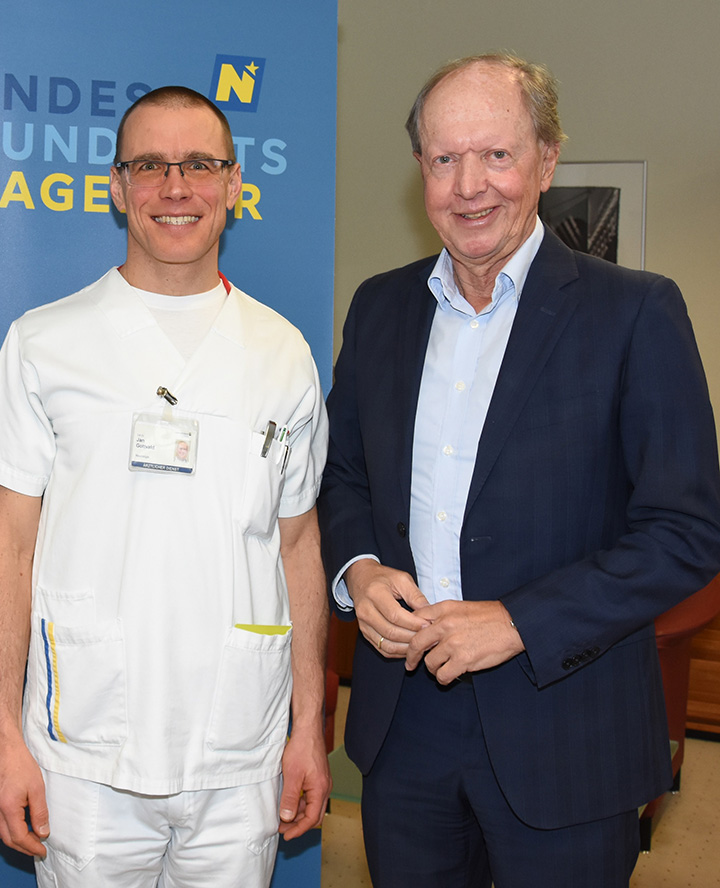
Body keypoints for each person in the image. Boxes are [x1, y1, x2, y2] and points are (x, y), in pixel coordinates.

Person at [319, 52, 720, 886]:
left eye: (496, 154)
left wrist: (520, 621)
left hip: (566, 726)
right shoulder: (380, 307)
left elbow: (685, 532)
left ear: (546, 159)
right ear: (420, 170)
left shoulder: (636, 312)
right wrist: (358, 567)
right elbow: (343, 474)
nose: (469, 186)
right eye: (444, 159)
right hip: (404, 723)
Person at [0, 86, 330, 887]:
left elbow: (299, 545)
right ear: (117, 186)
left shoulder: (283, 353)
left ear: (234, 184)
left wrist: (310, 726)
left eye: (199, 164)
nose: (175, 186)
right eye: (150, 166)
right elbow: (5, 546)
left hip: (240, 749)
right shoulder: (45, 342)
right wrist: (2, 736)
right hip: (85, 753)